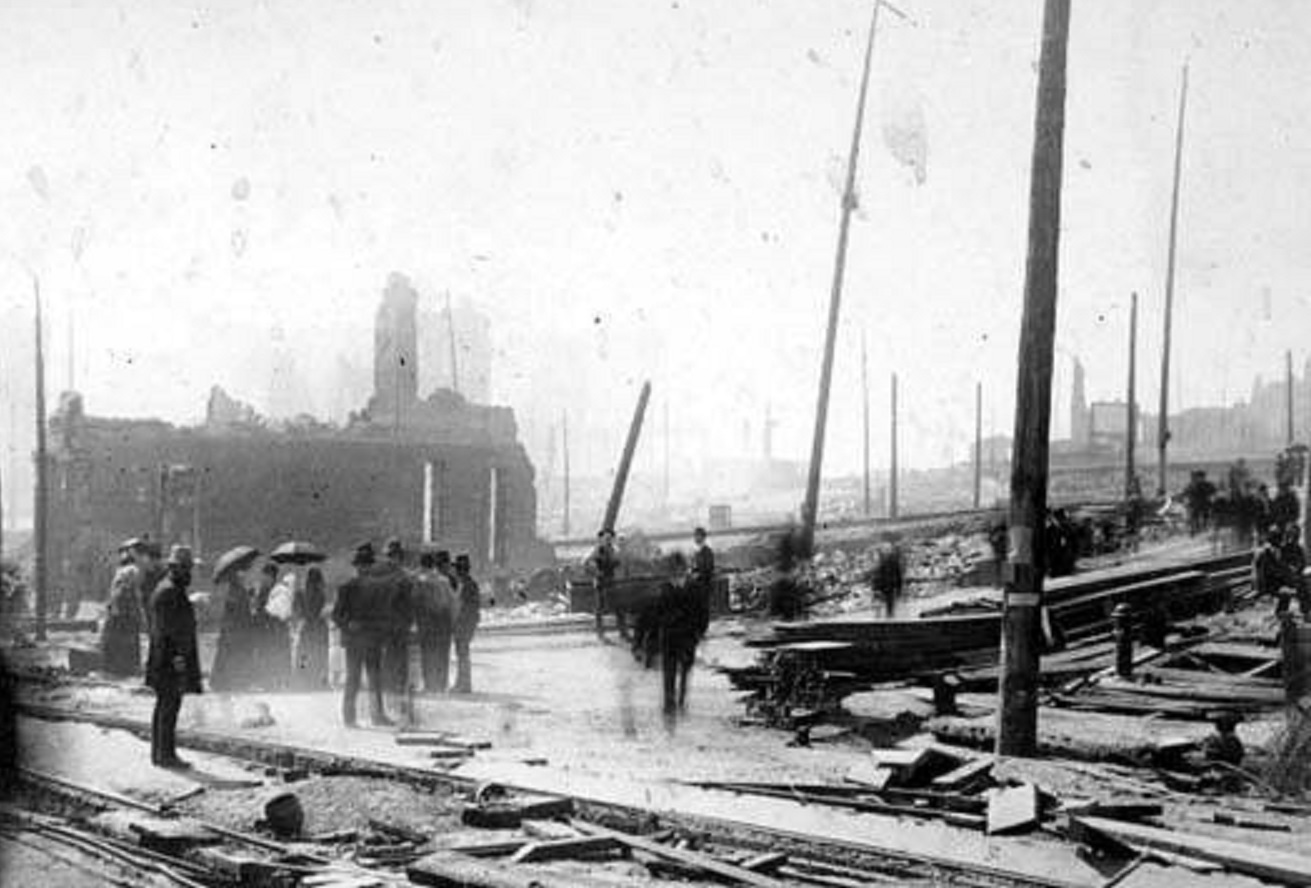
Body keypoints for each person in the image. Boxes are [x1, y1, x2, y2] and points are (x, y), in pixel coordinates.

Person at [145, 545, 202, 768]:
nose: (190, 574)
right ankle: (165, 755)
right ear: (177, 569)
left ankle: (160, 754)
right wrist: (179, 657)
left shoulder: (169, 589)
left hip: (165, 658)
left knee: (165, 705)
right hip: (169, 659)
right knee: (169, 706)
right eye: (187, 569)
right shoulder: (169, 591)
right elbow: (170, 630)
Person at [333, 542, 391, 727]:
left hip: (367, 639)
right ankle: (354, 717)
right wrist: (349, 624)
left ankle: (371, 716)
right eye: (362, 566)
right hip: (359, 639)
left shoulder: (377, 588)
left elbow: (384, 614)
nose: (364, 569)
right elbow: (337, 615)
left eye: (367, 565)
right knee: (357, 678)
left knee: (369, 678)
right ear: (357, 567)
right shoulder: (348, 588)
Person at [656, 552, 708, 720]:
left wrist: (699, 632)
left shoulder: (695, 588)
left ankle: (681, 700)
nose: (677, 575)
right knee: (669, 671)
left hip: (688, 637)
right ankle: (669, 703)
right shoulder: (664, 589)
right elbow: (657, 613)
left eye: (680, 571)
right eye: (674, 572)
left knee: (685, 670)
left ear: (685, 571)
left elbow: (703, 613)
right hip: (669, 636)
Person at [209, 555, 257, 692]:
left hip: (232, 630)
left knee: (227, 656)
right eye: (241, 574)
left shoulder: (237, 590)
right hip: (234, 630)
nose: (244, 576)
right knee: (230, 656)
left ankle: (223, 682)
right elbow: (238, 610)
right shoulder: (235, 591)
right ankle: (226, 683)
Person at [413, 550, 456, 694]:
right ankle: (441, 685)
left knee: (427, 654)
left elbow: (416, 602)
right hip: (444, 622)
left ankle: (429, 685)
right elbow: (452, 602)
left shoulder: (419, 581)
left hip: (427, 621)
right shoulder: (444, 580)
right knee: (442, 654)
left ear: (421, 565)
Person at [379, 539, 415, 705]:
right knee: (397, 657)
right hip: (397, 623)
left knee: (391, 657)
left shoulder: (385, 576)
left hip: (391, 623)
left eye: (393, 556)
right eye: (390, 556)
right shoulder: (405, 576)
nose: (391, 559)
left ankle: (392, 689)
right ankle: (395, 689)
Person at [100, 542, 143, 677]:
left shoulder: (124, 584)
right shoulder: (124, 587)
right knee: (123, 644)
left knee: (124, 644)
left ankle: (123, 668)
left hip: (122, 622)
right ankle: (123, 668)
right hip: (121, 622)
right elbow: (118, 608)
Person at [252, 563, 291, 691]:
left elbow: (279, 611)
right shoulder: (262, 590)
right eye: (263, 576)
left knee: (276, 654)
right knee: (265, 654)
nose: (263, 579)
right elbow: (258, 608)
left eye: (265, 576)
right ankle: (266, 681)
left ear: (271, 576)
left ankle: (277, 681)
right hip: (264, 629)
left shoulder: (279, 590)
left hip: (276, 628)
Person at [290, 567, 330, 691]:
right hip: (319, 628)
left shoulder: (299, 593)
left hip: (306, 628)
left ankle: (302, 680)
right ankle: (318, 681)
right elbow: (321, 611)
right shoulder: (321, 594)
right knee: (319, 655)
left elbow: (296, 612)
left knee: (303, 655)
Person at [452, 554, 481, 694]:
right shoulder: (468, 583)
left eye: (457, 569)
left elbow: (464, 607)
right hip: (466, 623)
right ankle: (462, 683)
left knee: (462, 653)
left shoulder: (466, 585)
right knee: (462, 653)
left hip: (464, 624)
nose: (456, 572)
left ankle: (464, 684)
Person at [588, 529, 622, 641]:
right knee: (600, 608)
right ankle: (600, 633)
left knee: (618, 606)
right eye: (606, 538)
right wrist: (597, 572)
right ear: (601, 539)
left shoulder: (613, 550)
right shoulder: (597, 550)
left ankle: (623, 631)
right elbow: (588, 563)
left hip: (611, 581)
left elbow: (618, 563)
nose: (609, 541)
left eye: (610, 538)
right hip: (601, 582)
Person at [871, 538, 905, 618]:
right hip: (880, 586)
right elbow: (875, 574)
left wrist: (899, 588)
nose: (886, 551)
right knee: (878, 607)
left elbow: (898, 574)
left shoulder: (893, 560)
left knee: (889, 607)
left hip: (889, 586)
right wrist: (875, 587)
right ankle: (879, 621)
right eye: (885, 549)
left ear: (891, 550)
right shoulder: (879, 560)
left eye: (888, 549)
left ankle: (889, 620)